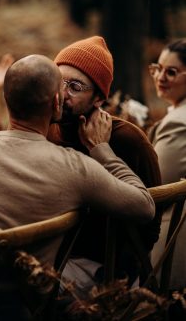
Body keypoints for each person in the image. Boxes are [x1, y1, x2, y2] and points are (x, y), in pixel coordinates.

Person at [0, 55, 155, 321]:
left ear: (6, 99)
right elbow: (145, 206)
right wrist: (102, 150)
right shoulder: (74, 168)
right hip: (23, 313)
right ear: (56, 103)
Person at [47, 36, 162, 286]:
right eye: (58, 81)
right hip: (52, 257)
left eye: (75, 87)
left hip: (104, 271)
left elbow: (150, 226)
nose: (62, 93)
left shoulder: (128, 141)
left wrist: (115, 276)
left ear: (98, 99)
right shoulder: (45, 128)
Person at [148, 39, 186, 290]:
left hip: (170, 245)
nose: (161, 77)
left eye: (171, 72)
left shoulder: (178, 124)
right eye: (157, 68)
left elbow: (152, 183)